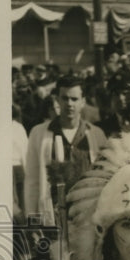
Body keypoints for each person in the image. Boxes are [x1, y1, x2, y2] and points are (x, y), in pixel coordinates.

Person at [24, 72, 106, 223]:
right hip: (53, 217)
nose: (69, 104)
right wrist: (32, 220)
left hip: (87, 218)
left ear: (83, 101)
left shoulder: (96, 134)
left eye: (74, 99)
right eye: (65, 98)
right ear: (57, 100)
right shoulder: (39, 133)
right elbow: (32, 180)